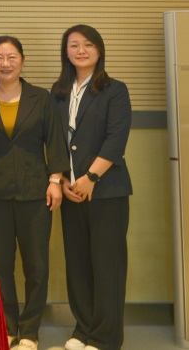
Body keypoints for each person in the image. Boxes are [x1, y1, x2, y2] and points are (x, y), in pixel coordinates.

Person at [0, 36, 67, 350]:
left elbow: (55, 141)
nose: (5, 63)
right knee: (0, 265)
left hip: (35, 192)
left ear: (22, 61)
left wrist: (55, 180)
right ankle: (8, 325)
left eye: (11, 57)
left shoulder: (41, 98)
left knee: (36, 265)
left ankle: (30, 331)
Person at [52, 25, 132, 350]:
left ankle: (105, 337)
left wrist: (90, 178)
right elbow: (54, 139)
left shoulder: (115, 90)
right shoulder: (58, 91)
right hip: (71, 192)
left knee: (107, 265)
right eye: (74, 45)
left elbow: (116, 139)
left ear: (99, 50)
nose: (81, 50)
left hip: (106, 192)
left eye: (88, 44)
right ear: (66, 51)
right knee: (78, 264)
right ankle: (83, 330)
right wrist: (63, 180)